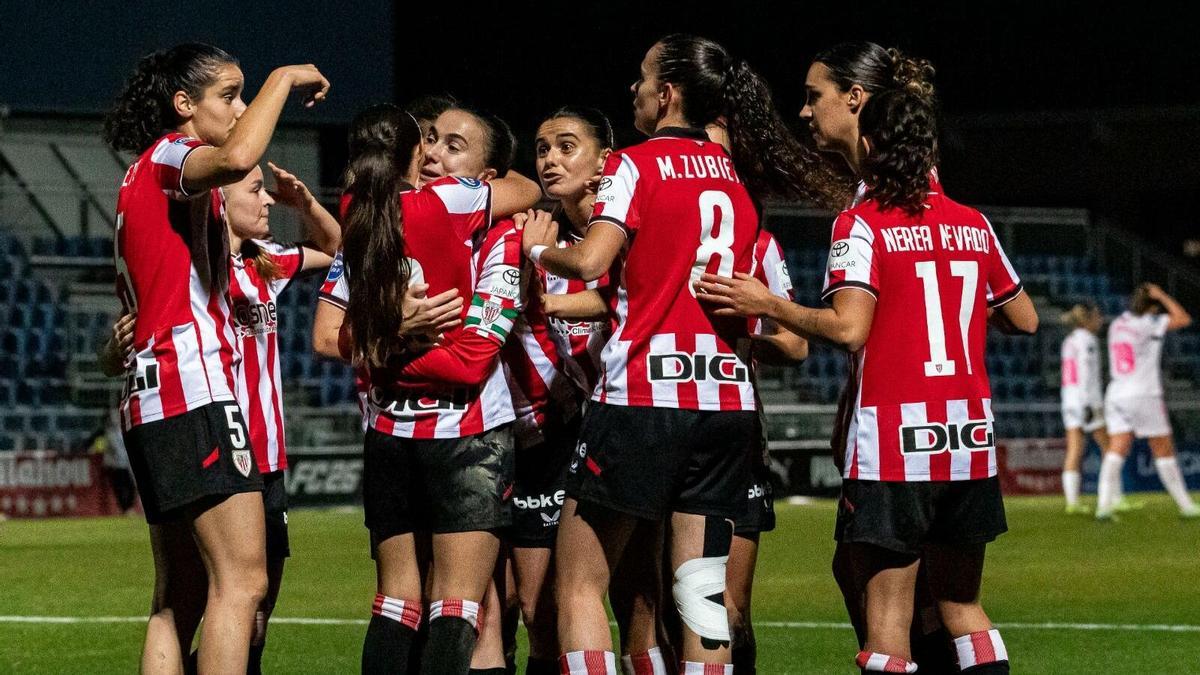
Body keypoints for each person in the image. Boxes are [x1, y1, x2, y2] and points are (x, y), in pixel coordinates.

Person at [696, 54, 1038, 674]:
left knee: (886, 623)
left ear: (861, 109)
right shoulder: (972, 221)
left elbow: (850, 329)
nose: (803, 111)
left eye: (811, 96)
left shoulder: (863, 222)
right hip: (969, 437)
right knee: (962, 603)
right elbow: (1025, 319)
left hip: (895, 442)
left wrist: (770, 303)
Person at [520, 34, 826, 674]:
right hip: (726, 405)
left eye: (640, 78)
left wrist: (539, 250)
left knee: (578, 584)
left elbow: (593, 261)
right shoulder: (738, 182)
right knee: (700, 593)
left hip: (643, 395)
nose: (633, 89)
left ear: (667, 93)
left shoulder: (635, 164)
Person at [103, 42, 327, 674]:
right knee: (241, 584)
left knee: (178, 597)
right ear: (184, 105)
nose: (238, 109)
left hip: (151, 397)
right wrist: (281, 76)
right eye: (228, 95)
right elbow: (236, 157)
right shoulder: (171, 155)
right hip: (192, 387)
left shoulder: (136, 178)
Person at [340, 105, 541, 673]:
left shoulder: (357, 210)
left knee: (397, 600)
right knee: (458, 605)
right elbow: (469, 363)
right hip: (466, 431)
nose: (434, 154)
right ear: (409, 155)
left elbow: (346, 339)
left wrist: (387, 350)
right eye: (428, 141)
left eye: (451, 144)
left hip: (388, 427)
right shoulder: (458, 207)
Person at [1096, 283, 1197, 520]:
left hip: (1116, 392)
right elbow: (1183, 319)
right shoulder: (1149, 324)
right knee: (1163, 448)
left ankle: (1104, 505)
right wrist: (1162, 295)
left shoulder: (1118, 324)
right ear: (1152, 307)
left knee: (1116, 448)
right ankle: (1186, 505)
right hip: (1143, 393)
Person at [1059, 302, 1109, 514]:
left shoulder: (1069, 340)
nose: (1100, 320)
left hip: (1069, 399)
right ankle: (1113, 497)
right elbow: (1086, 373)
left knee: (1074, 449)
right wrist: (1089, 403)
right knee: (1110, 448)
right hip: (1086, 400)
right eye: (1097, 316)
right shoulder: (1087, 340)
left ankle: (1072, 502)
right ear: (1087, 319)